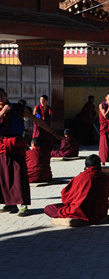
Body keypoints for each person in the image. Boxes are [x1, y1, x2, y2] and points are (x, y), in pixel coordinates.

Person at [1, 87, 58, 216]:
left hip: (16, 145)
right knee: (4, 175)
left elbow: (37, 120)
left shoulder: (18, 109)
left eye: (1, 95)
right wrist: (3, 111)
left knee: (19, 175)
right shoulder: (2, 110)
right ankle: (10, 203)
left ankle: (23, 205)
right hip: (2, 146)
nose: (0, 98)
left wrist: (53, 133)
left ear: (6, 95)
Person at [43, 154, 109, 226]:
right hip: (100, 212)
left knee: (49, 208)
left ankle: (63, 220)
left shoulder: (81, 177)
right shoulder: (105, 177)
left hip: (81, 212)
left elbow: (66, 197)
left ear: (86, 166)